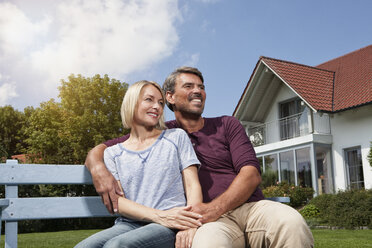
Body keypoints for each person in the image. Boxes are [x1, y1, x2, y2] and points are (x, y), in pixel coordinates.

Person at [85, 67, 314, 248]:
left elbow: (251, 174)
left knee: (290, 222)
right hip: (211, 223)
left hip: (249, 208)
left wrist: (209, 211)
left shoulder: (226, 124)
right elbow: (108, 148)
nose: (198, 90)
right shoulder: (164, 135)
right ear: (171, 97)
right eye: (189, 86)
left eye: (201, 86)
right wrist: (97, 168)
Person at [76, 80, 203, 248]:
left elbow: (192, 184)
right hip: (129, 223)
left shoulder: (176, 137)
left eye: (160, 102)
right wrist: (158, 215)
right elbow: (118, 201)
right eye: (149, 100)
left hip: (169, 223)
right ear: (132, 103)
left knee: (117, 246)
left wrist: (190, 223)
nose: (157, 107)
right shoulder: (113, 153)